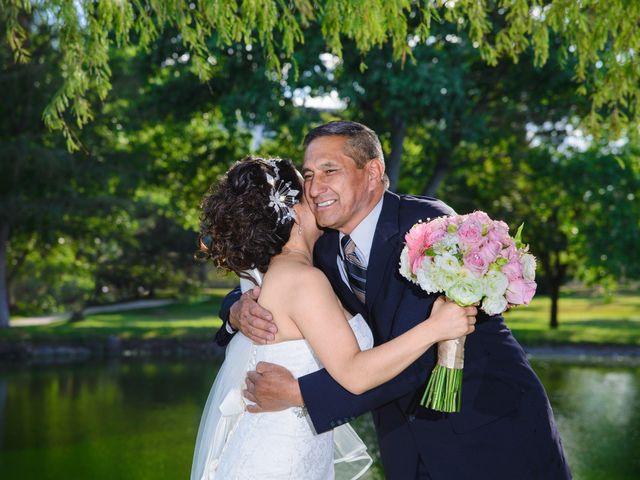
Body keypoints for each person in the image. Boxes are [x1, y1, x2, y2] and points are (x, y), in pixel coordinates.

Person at [218, 121, 572, 479]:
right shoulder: (321, 243)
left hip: (490, 430)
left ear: (372, 172)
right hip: (404, 444)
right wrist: (236, 309)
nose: (313, 188)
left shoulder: (429, 227)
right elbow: (270, 267)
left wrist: (303, 395)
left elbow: (419, 358)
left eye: (330, 171)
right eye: (308, 175)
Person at [191, 156, 477, 480]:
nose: (316, 192)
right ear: (293, 210)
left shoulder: (298, 268)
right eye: (306, 184)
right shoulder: (302, 280)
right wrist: (436, 328)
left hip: (296, 451)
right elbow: (354, 372)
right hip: (276, 461)